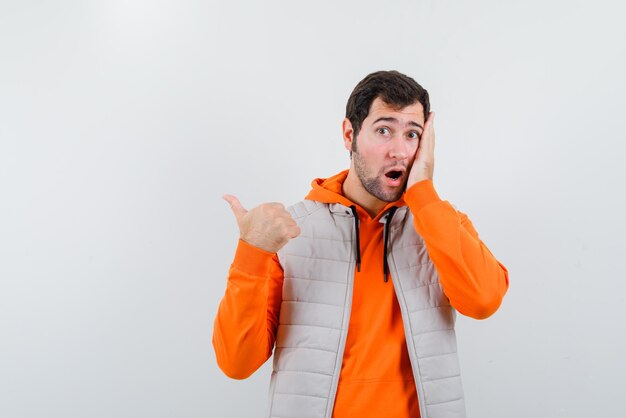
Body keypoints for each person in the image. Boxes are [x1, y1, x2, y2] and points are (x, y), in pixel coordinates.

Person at [213, 70, 509, 418]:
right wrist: (252, 252)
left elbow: (484, 302)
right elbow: (237, 363)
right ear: (349, 133)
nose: (399, 151)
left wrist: (423, 195)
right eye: (384, 130)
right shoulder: (289, 233)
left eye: (412, 134)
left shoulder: (441, 224)